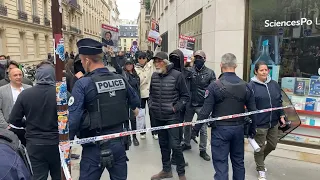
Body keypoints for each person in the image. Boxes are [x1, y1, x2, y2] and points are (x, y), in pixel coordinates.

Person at [68, 38, 140, 180]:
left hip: (93, 148)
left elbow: (73, 121)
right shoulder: (120, 78)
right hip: (119, 144)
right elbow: (135, 101)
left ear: (87, 60)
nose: (82, 64)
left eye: (82, 61)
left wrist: (66, 145)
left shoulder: (83, 84)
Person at [192, 53, 257, 180]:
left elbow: (205, 112)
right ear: (236, 65)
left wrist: (195, 130)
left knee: (221, 165)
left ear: (221, 65)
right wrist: (252, 129)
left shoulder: (214, 86)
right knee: (238, 163)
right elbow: (253, 111)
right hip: (238, 130)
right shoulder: (246, 86)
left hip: (220, 131)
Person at [9, 61, 61, 180]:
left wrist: (27, 123)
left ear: (37, 76)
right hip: (57, 142)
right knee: (59, 175)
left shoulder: (25, 94)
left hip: (35, 143)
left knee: (38, 176)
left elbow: (13, 120)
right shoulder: (61, 93)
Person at [149, 51, 189, 180]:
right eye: (155, 61)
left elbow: (185, 96)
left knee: (176, 146)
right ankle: (166, 170)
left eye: (159, 61)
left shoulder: (177, 76)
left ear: (165, 62)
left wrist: (176, 108)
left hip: (172, 118)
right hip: (158, 117)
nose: (156, 64)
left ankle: (181, 173)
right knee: (163, 145)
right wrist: (151, 105)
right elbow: (151, 94)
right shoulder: (154, 76)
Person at [249, 61, 286, 180]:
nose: (264, 72)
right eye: (261, 70)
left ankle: (260, 160)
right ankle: (260, 169)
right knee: (259, 147)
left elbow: (279, 101)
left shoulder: (274, 84)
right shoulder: (251, 86)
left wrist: (281, 115)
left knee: (273, 144)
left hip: (273, 122)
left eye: (266, 70)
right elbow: (250, 106)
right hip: (260, 124)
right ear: (256, 71)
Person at [182, 50, 216, 161]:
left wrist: (210, 104)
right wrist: (188, 62)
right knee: (186, 125)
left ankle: (203, 150)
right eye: (196, 57)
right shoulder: (189, 70)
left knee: (203, 129)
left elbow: (213, 89)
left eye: (200, 58)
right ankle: (186, 143)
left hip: (202, 104)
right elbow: (181, 71)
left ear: (204, 59)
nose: (198, 60)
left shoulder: (210, 73)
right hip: (190, 103)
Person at [135, 46, 161, 140]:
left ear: (146, 59)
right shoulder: (135, 68)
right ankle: (142, 132)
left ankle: (155, 132)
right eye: (140, 58)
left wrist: (158, 45)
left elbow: (156, 53)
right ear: (137, 59)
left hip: (150, 93)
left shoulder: (151, 65)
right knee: (141, 114)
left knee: (152, 113)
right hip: (140, 94)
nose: (142, 60)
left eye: (143, 58)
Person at [0, 68, 31, 146]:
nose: (18, 77)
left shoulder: (29, 88)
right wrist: (6, 126)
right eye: (15, 75)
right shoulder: (2, 90)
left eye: (20, 75)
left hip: (29, 127)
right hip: (11, 128)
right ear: (10, 77)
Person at [122, 59, 141, 146]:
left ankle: (134, 137)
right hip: (125, 100)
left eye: (130, 64)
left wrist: (138, 100)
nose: (129, 66)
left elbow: (138, 88)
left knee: (133, 120)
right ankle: (127, 138)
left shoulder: (135, 74)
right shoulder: (124, 74)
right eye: (127, 64)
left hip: (134, 100)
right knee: (126, 119)